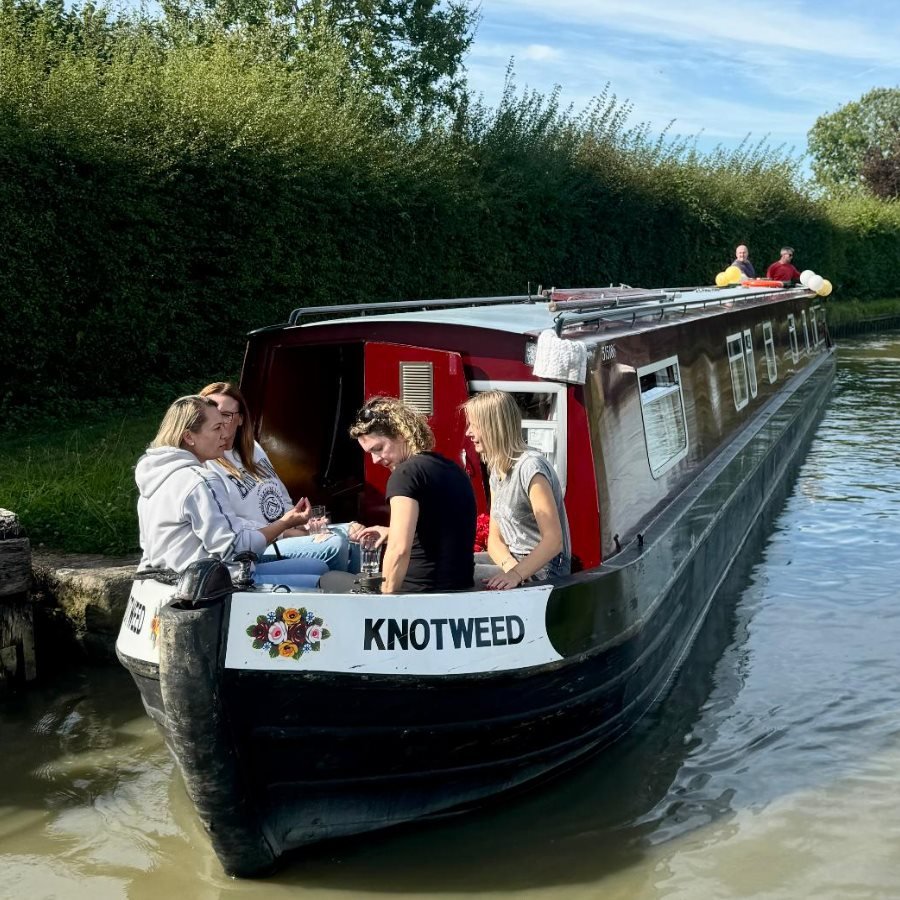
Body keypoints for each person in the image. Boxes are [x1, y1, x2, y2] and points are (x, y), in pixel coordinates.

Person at [136, 395, 327, 588]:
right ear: (188, 436)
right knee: (322, 582)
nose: (224, 435)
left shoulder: (156, 475)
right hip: (211, 587)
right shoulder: (200, 480)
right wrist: (285, 524)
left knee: (317, 566)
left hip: (169, 581)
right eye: (216, 428)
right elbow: (234, 549)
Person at [199, 381, 352, 572]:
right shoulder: (207, 461)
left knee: (355, 535)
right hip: (259, 543)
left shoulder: (252, 449)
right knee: (334, 546)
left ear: (241, 419)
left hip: (286, 529)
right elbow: (230, 525)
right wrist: (285, 531)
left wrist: (302, 523)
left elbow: (280, 493)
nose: (220, 422)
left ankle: (362, 599)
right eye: (214, 414)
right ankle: (335, 598)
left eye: (226, 415)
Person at [348, 396, 476, 593]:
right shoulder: (453, 469)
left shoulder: (405, 474)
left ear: (401, 434)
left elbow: (399, 550)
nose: (374, 460)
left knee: (326, 579)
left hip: (417, 592)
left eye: (379, 448)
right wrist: (390, 531)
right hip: (459, 587)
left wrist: (385, 601)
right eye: (369, 453)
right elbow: (441, 532)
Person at [463, 390, 571, 590]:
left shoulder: (531, 467)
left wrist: (516, 574)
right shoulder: (496, 468)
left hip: (544, 569)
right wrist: (510, 566)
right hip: (515, 561)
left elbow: (554, 541)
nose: (468, 432)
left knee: (457, 577)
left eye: (474, 425)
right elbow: (495, 539)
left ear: (493, 426)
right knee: (453, 565)